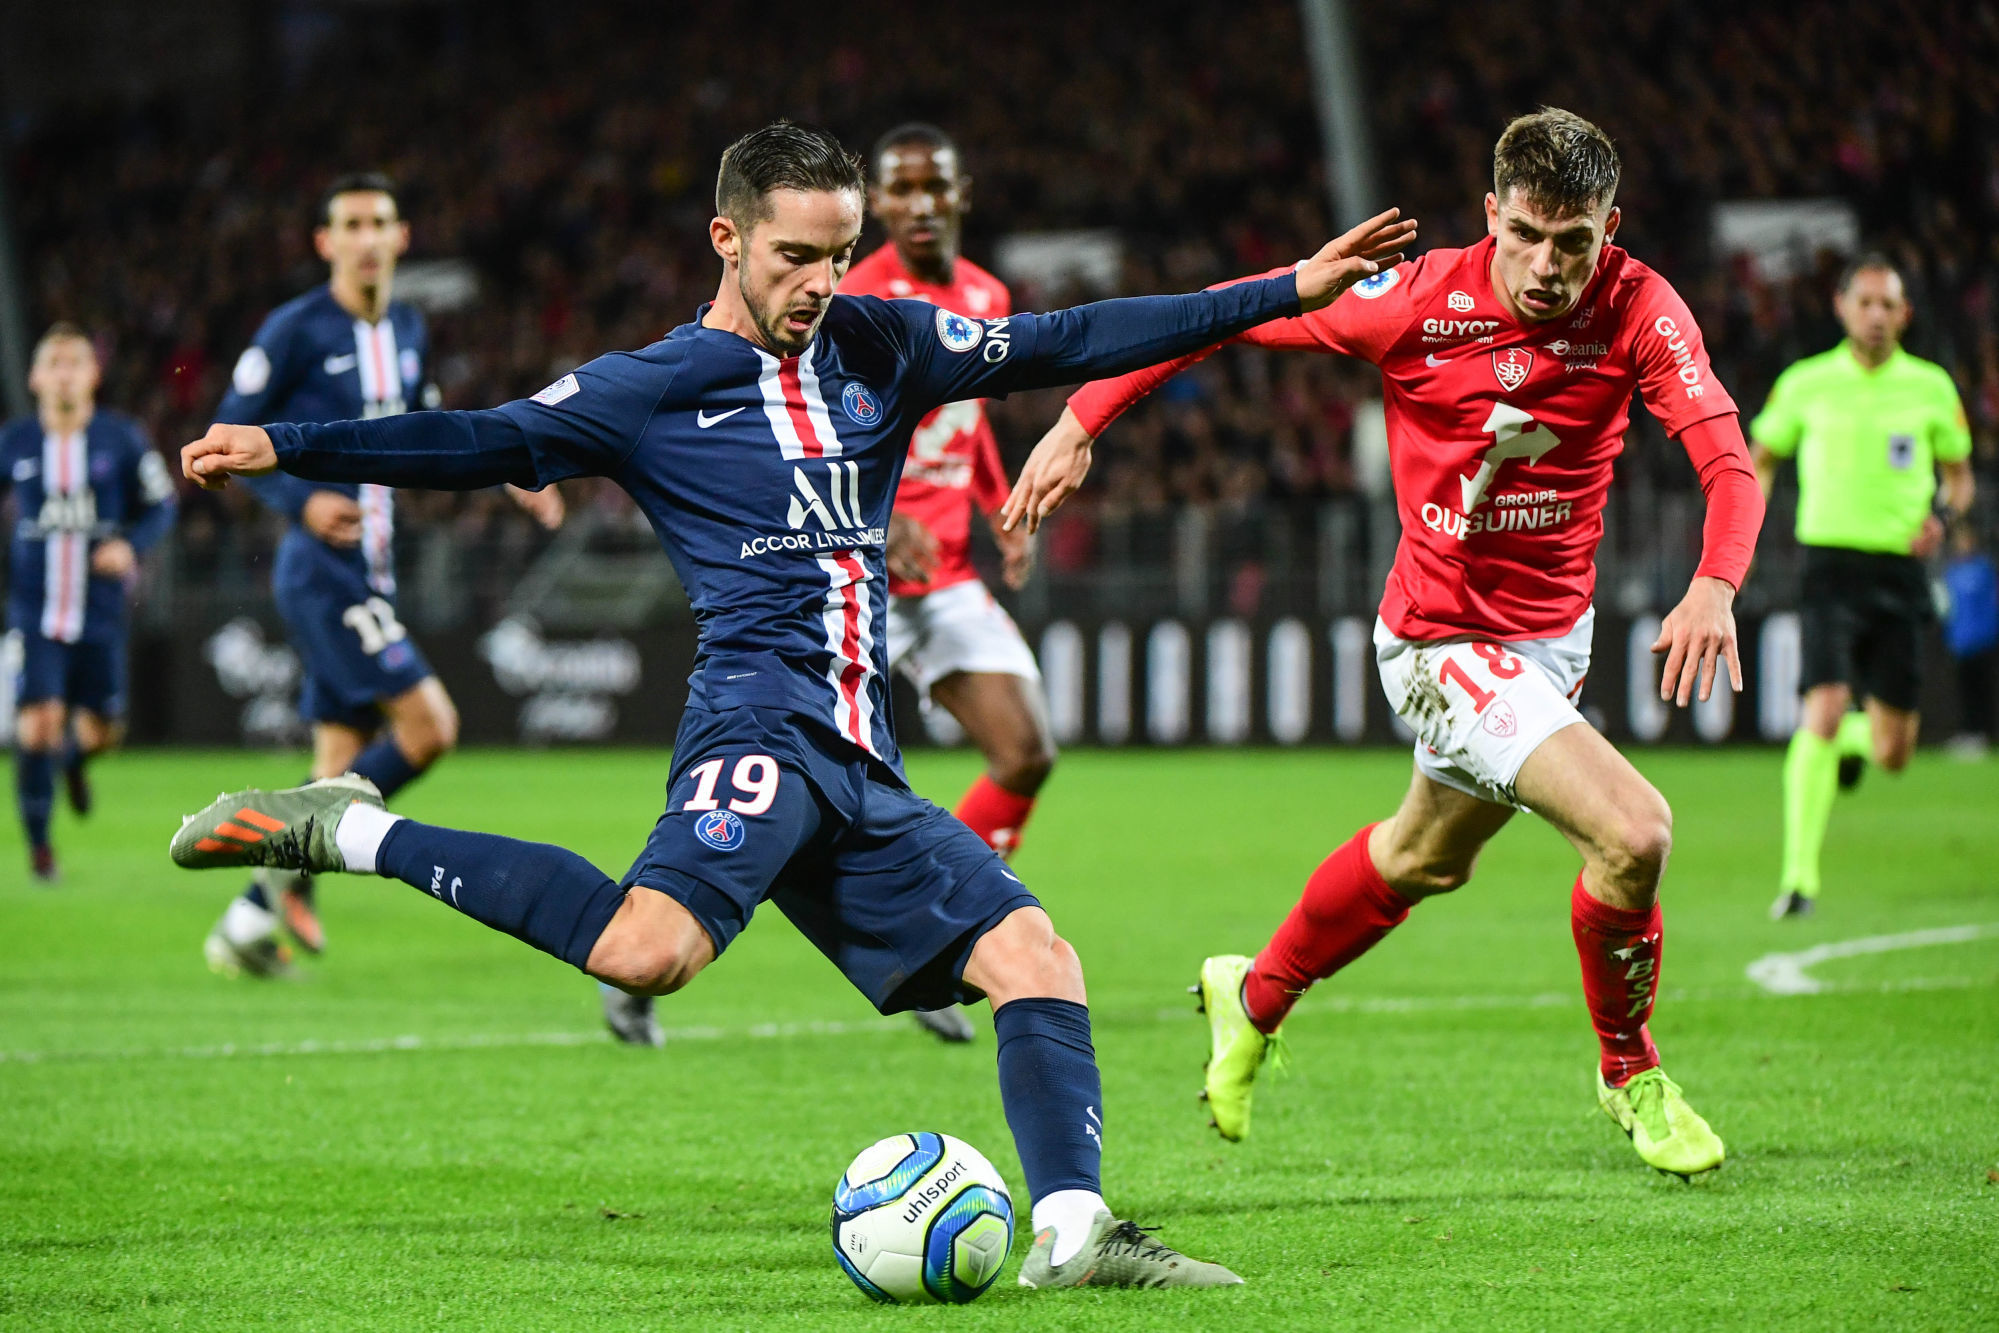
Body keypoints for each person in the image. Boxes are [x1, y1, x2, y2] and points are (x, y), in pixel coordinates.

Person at [169, 121, 1413, 1288]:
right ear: (727, 241)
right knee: (648, 953)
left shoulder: (884, 345)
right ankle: (347, 828)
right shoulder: (650, 387)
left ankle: (1075, 1228)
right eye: (794, 255)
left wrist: (1283, 287)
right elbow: (477, 438)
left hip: (860, 761)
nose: (819, 279)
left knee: (1037, 957)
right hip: (755, 724)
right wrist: (288, 444)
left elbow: (1069, 337)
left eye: (834, 250)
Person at [1008, 109, 1762, 1179]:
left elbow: (1727, 461)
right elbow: (1223, 318)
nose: (1549, 267)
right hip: (1437, 641)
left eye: (1576, 242)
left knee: (1421, 859)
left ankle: (1251, 994)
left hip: (1548, 644)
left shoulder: (1639, 306)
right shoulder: (1411, 301)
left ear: (1611, 229)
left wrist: (1714, 584)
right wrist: (1081, 417)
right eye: (1529, 236)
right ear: (1490, 215)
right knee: (1634, 833)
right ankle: (1628, 1068)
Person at [201, 173, 563, 977]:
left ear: (402, 238)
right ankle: (287, 861)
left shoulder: (404, 326)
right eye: (351, 224)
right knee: (428, 726)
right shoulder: (294, 329)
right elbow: (227, 437)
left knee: (339, 761)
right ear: (327, 243)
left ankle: (249, 920)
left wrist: (507, 473)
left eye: (380, 223)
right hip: (320, 568)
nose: (367, 237)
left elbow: (431, 428)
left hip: (372, 562)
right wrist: (299, 502)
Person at [1750, 253, 1975, 918]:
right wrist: (1743, 522)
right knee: (1818, 706)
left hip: (1899, 573)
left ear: (1904, 314)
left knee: (1892, 751)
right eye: (1864, 303)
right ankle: (1797, 882)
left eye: (1888, 305)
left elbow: (1959, 476)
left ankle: (1852, 741)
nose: (1876, 316)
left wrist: (1943, 514)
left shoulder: (1931, 387)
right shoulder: (1805, 383)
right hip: (1827, 567)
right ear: (1841, 307)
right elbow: (1760, 458)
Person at [2, 325, 176, 880]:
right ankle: (40, 849)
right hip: (35, 613)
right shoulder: (16, 442)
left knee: (103, 732)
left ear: (93, 374)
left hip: (99, 613)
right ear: (35, 378)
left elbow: (162, 503)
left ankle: (75, 763)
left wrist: (131, 544)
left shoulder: (121, 439)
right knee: (38, 726)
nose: (64, 372)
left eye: (74, 361)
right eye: (53, 362)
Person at [1942, 522, 1996, 757]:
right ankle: (1968, 733)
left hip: (1982, 640)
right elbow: (1948, 608)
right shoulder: (1951, 572)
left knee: (1982, 689)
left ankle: (1981, 733)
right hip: (1960, 642)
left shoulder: (1984, 569)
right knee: (1964, 690)